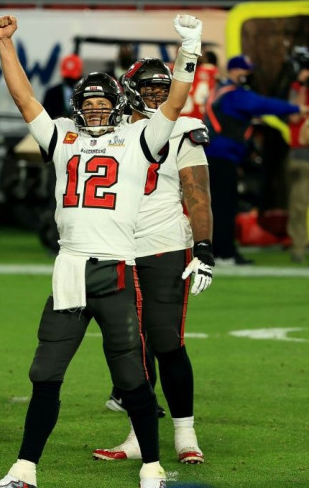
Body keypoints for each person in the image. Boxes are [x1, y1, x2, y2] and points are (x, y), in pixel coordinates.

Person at [0, 14, 201, 488]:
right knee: (44, 373)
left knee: (132, 376)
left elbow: (177, 99)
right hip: (70, 268)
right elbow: (22, 97)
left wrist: (190, 50)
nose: (95, 111)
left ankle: (153, 472)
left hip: (117, 267)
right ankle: (24, 473)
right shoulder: (60, 136)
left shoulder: (142, 139)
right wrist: (6, 45)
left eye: (103, 103)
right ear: (76, 107)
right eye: (88, 104)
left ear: (120, 106)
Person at [92, 58, 213, 465]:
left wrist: (204, 248)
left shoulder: (182, 127)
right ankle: (138, 434)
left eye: (164, 88)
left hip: (163, 245)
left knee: (166, 341)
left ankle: (185, 432)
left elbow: (197, 193)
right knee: (131, 344)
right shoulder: (112, 128)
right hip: (117, 247)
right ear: (129, 90)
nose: (157, 95)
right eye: (148, 88)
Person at [204, 54, 307, 264]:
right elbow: (263, 104)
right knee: (225, 205)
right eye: (244, 71)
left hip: (219, 156)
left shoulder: (222, 91)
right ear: (233, 71)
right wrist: (297, 108)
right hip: (221, 156)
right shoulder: (234, 94)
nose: (248, 75)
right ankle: (225, 252)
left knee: (220, 205)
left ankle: (220, 250)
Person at [287, 53, 309, 263]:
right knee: (299, 205)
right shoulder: (299, 91)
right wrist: (301, 84)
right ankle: (299, 248)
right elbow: (294, 115)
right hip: (302, 155)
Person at [42, 53, 83, 119]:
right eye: (68, 78)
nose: (70, 80)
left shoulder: (84, 94)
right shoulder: (51, 93)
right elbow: (44, 117)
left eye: (72, 77)